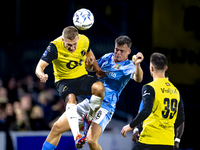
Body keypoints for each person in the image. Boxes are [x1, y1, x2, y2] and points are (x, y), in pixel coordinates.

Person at [35, 26, 105, 149]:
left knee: (99, 87)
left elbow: (89, 53)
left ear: (78, 39)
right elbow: (39, 67)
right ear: (63, 40)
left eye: (74, 44)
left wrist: (98, 70)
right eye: (69, 45)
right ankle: (77, 135)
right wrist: (41, 74)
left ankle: (89, 118)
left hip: (82, 78)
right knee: (71, 99)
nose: (72, 48)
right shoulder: (54, 47)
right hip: (64, 82)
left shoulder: (84, 40)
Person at [77, 35, 144, 150]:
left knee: (92, 140)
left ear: (128, 51)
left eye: (121, 51)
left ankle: (86, 122)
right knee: (64, 120)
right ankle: (84, 125)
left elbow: (138, 79)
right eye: (116, 49)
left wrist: (137, 64)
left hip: (106, 106)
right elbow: (93, 69)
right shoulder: (108, 57)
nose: (117, 53)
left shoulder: (129, 66)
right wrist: (88, 64)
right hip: (91, 100)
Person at [121, 52, 185, 150]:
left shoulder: (150, 88)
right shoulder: (175, 91)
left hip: (149, 141)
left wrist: (130, 126)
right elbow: (181, 118)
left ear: (151, 68)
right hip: (167, 142)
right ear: (166, 68)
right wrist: (167, 128)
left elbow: (146, 110)